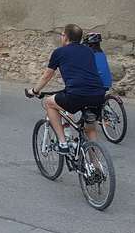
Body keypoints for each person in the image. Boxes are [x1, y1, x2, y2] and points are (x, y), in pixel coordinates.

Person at [26, 24, 108, 153]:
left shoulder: (59, 52)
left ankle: (63, 143)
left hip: (77, 94)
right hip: (98, 95)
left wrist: (34, 91)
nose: (61, 37)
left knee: (49, 102)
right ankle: (95, 163)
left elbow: (47, 76)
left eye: (62, 34)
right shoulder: (88, 51)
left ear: (66, 37)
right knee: (90, 128)